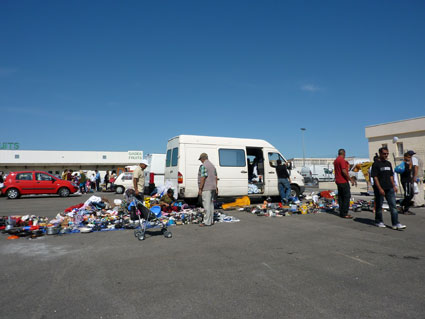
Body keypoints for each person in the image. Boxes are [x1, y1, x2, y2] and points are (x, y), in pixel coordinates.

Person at [371, 147, 406, 230]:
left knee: (393, 206)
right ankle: (378, 221)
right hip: (380, 188)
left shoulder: (388, 163)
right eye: (384, 153)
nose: (386, 155)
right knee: (379, 206)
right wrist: (380, 188)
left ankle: (395, 223)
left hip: (389, 188)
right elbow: (375, 177)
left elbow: (391, 175)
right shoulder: (376, 164)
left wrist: (394, 185)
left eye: (387, 153)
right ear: (380, 153)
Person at [333, 149, 356, 219]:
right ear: (344, 153)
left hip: (338, 181)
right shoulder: (342, 160)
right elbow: (344, 171)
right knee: (346, 197)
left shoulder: (336, 160)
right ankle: (345, 213)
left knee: (341, 197)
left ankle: (342, 212)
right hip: (343, 181)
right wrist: (350, 179)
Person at [198, 153, 218, 227]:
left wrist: (200, 188)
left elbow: (203, 177)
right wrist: (216, 187)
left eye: (200, 160)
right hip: (213, 187)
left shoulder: (203, 166)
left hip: (206, 188)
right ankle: (211, 220)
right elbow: (216, 177)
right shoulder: (212, 166)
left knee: (206, 205)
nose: (201, 161)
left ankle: (206, 222)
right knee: (211, 204)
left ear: (203, 159)